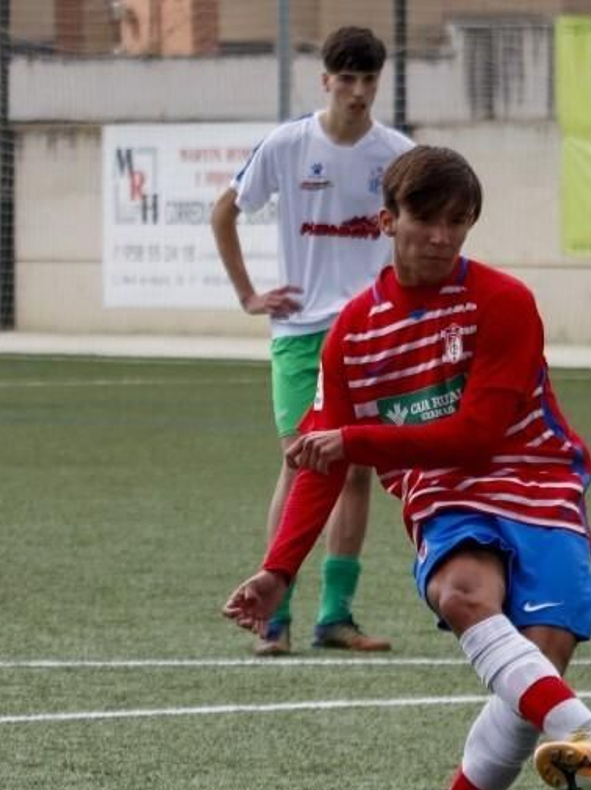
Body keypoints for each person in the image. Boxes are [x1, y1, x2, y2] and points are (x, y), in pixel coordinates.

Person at [222, 145, 591, 790]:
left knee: (537, 663)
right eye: (426, 220)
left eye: (459, 223)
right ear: (387, 220)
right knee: (460, 593)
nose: (442, 238)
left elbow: (480, 434)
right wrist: (278, 569)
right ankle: (585, 734)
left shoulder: (504, 302)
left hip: (538, 478)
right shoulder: (350, 334)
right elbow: (321, 463)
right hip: (440, 489)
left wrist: (357, 440)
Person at [211, 25, 413, 656]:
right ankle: (276, 610)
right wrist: (249, 295)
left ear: (379, 83)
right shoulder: (288, 144)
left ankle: (335, 615)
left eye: (368, 80)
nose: (357, 92)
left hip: (371, 333)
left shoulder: (398, 155)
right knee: (301, 461)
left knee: (354, 469)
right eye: (345, 79)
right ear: (325, 80)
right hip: (301, 333)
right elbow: (225, 211)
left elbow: (418, 239)